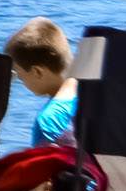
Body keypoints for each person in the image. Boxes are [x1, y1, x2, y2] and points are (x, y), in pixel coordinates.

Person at [9, 18, 78, 148]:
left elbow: (43, 161)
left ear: (37, 72)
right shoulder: (94, 94)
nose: (20, 80)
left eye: (19, 75)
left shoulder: (47, 121)